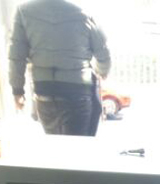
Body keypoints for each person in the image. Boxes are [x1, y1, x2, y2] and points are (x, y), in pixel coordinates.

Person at [9, 0, 112, 137]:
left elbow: (16, 57)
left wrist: (17, 90)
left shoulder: (23, 11)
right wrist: (102, 71)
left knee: (55, 143)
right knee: (78, 144)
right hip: (77, 90)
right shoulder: (84, 11)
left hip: (44, 90)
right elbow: (103, 53)